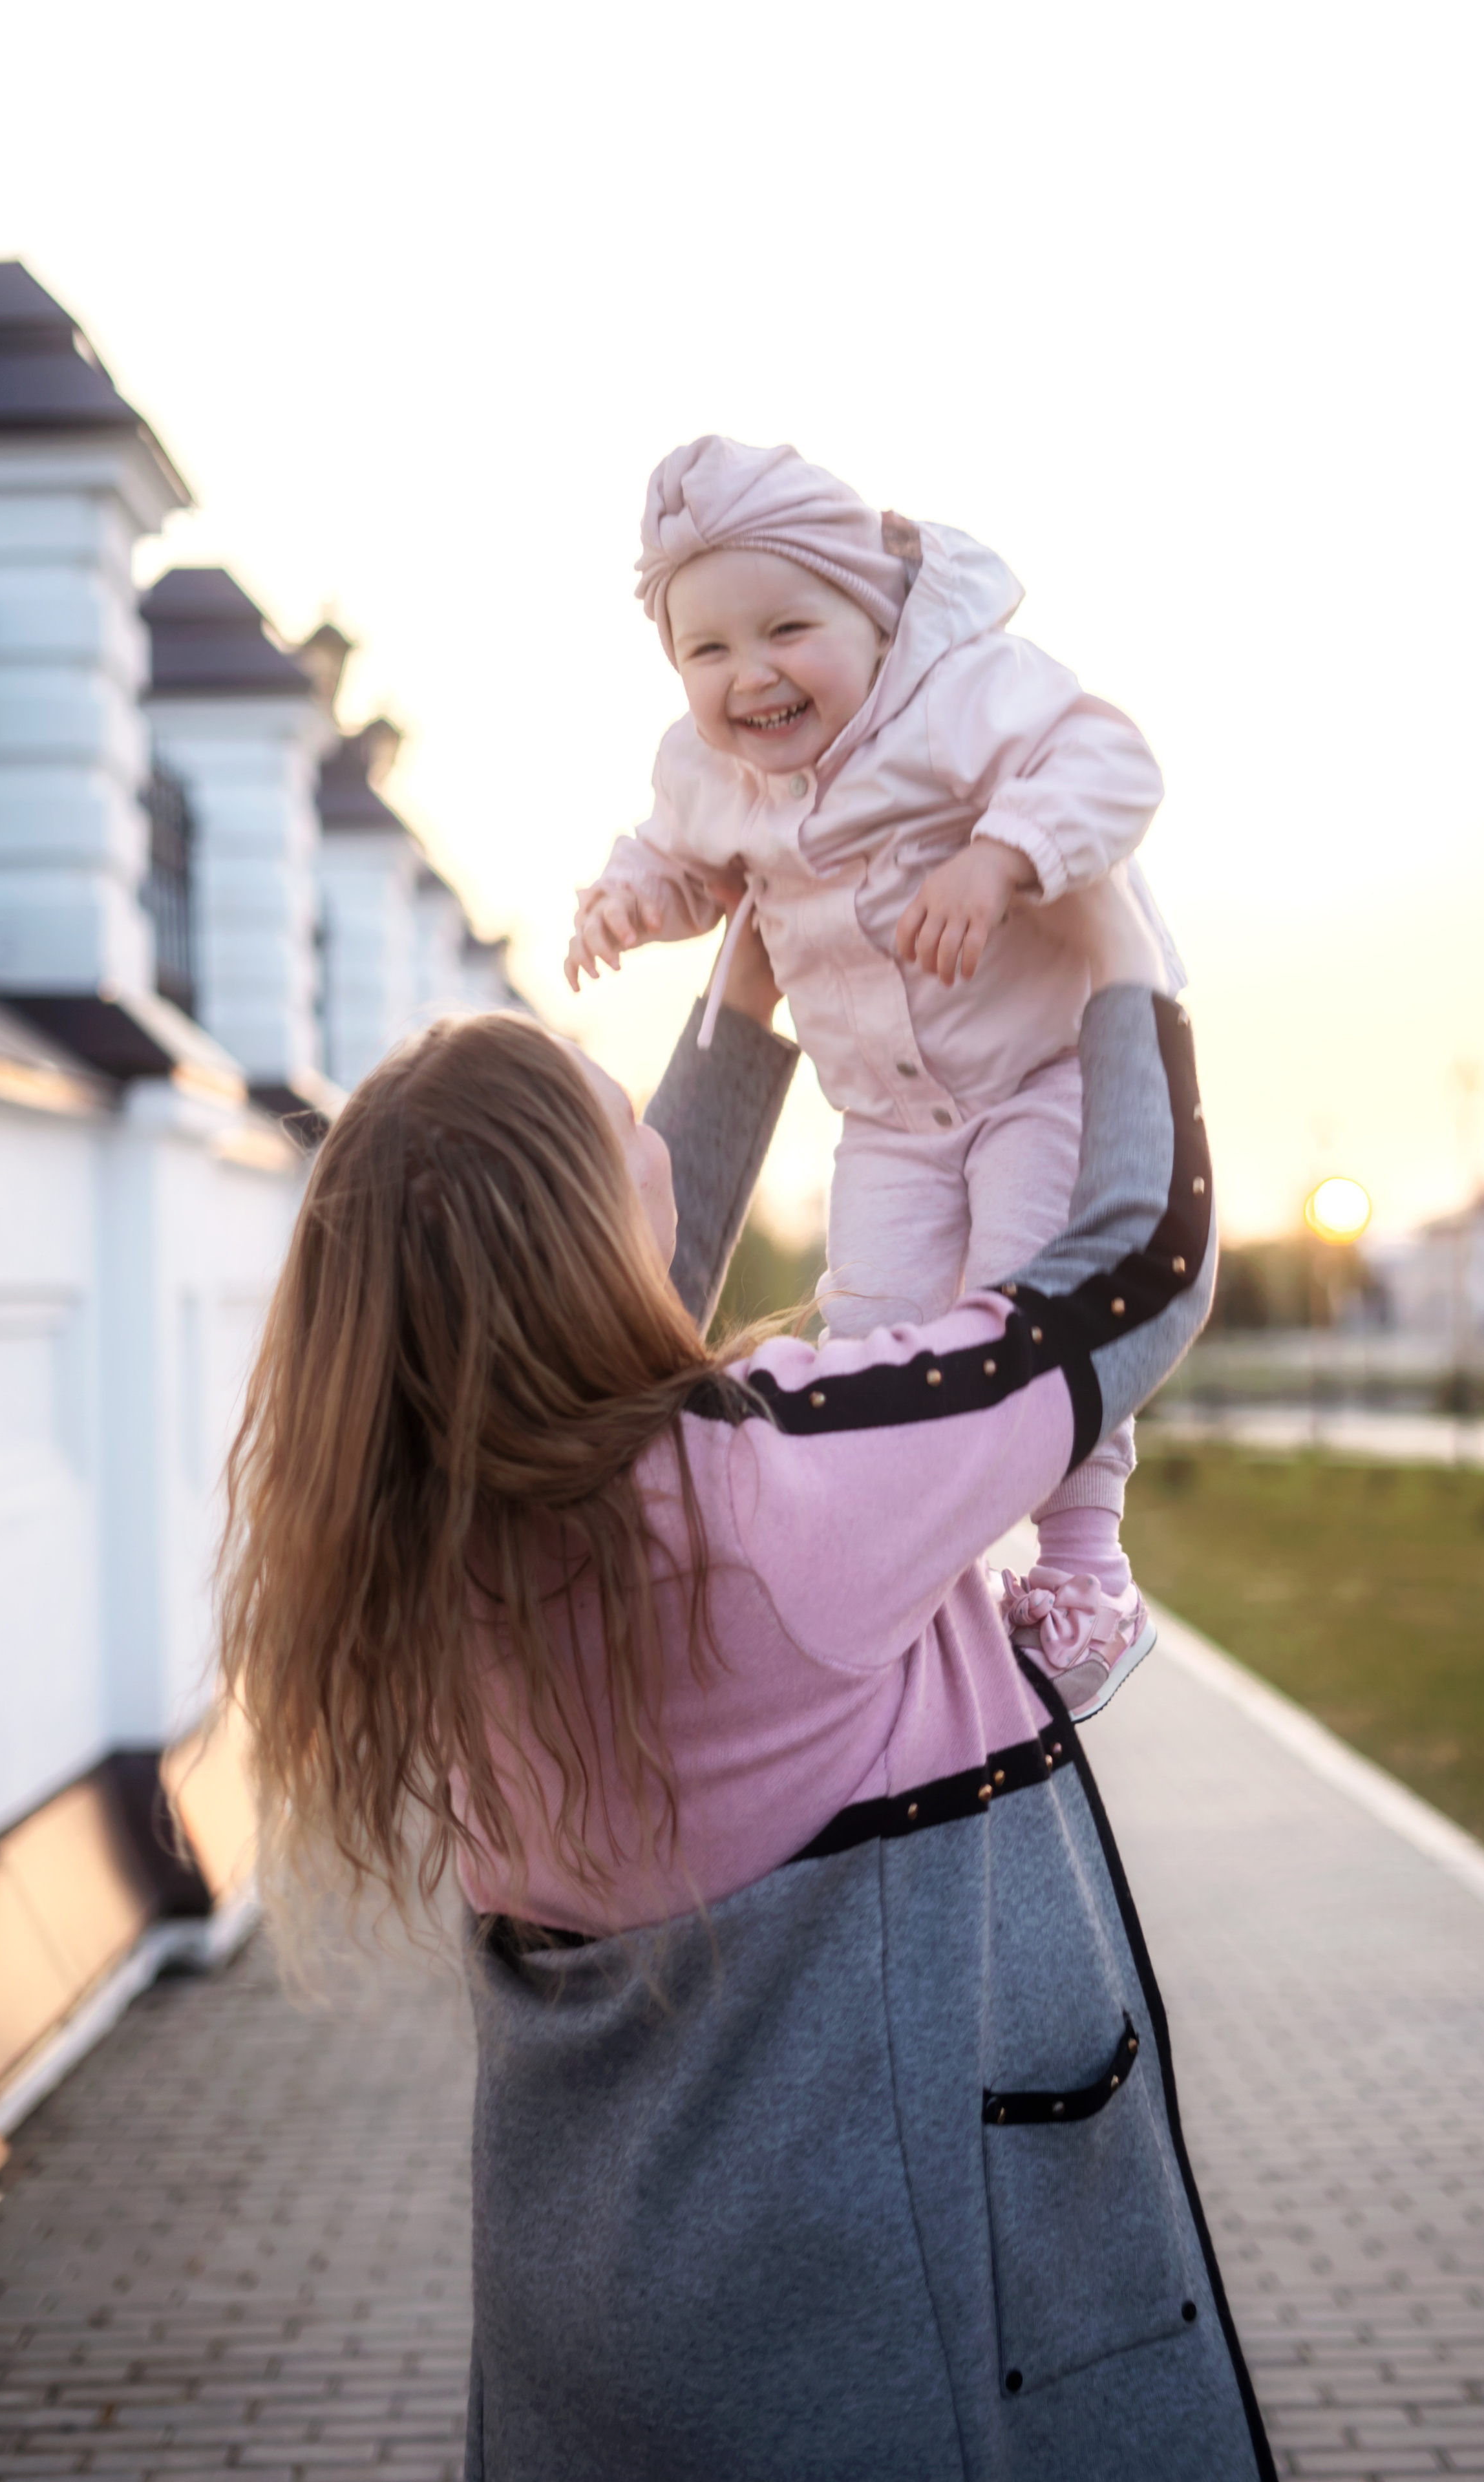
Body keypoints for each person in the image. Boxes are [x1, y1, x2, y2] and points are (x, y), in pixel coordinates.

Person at [219, 877, 1271, 2481]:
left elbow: (592, 1334)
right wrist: (1124, 945)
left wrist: (750, 988)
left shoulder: (428, 1543)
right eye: (612, 1112)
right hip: (890, 2342)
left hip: (604, 2341)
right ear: (590, 1213)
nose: (648, 1130)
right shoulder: (784, 1503)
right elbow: (1137, 1274)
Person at [565, 435, 1184, 1719]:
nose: (750, 674)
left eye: (788, 628)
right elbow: (685, 859)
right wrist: (630, 899)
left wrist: (1001, 858)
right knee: (871, 1339)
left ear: (876, 614)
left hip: (1037, 1070)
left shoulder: (960, 695)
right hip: (889, 1118)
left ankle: (1085, 1573)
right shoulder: (709, 773)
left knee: (1035, 1312)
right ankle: (916, 1589)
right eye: (706, 650)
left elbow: (1113, 764)